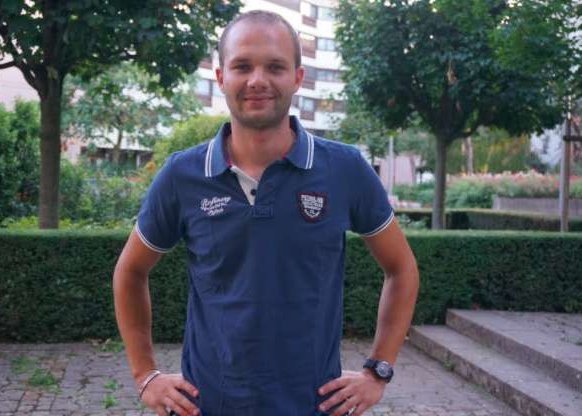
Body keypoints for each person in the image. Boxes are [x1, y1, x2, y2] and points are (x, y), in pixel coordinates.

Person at [113, 10, 419, 416]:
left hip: (313, 406)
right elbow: (130, 271)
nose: (258, 80)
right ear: (221, 77)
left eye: (275, 67)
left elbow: (402, 269)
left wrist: (378, 371)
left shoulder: (344, 169)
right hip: (208, 406)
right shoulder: (182, 175)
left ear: (297, 77)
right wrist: (145, 375)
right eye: (242, 66)